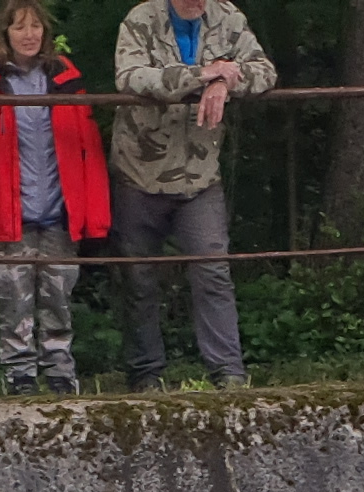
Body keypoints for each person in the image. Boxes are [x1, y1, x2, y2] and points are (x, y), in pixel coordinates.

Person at [107, 0, 276, 388]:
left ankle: (228, 373)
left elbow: (265, 71)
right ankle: (145, 375)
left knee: (213, 270)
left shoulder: (227, 16)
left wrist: (224, 82)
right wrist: (202, 74)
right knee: (137, 278)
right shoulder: (141, 19)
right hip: (139, 172)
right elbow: (130, 77)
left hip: (200, 174)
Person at [0, 1, 110, 396]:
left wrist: (95, 219)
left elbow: (89, 153)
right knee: (13, 304)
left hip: (59, 213)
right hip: (7, 217)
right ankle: (19, 376)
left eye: (35, 26)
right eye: (20, 27)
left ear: (46, 31)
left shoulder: (67, 79)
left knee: (59, 300)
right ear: (5, 33)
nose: (29, 35)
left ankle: (60, 374)